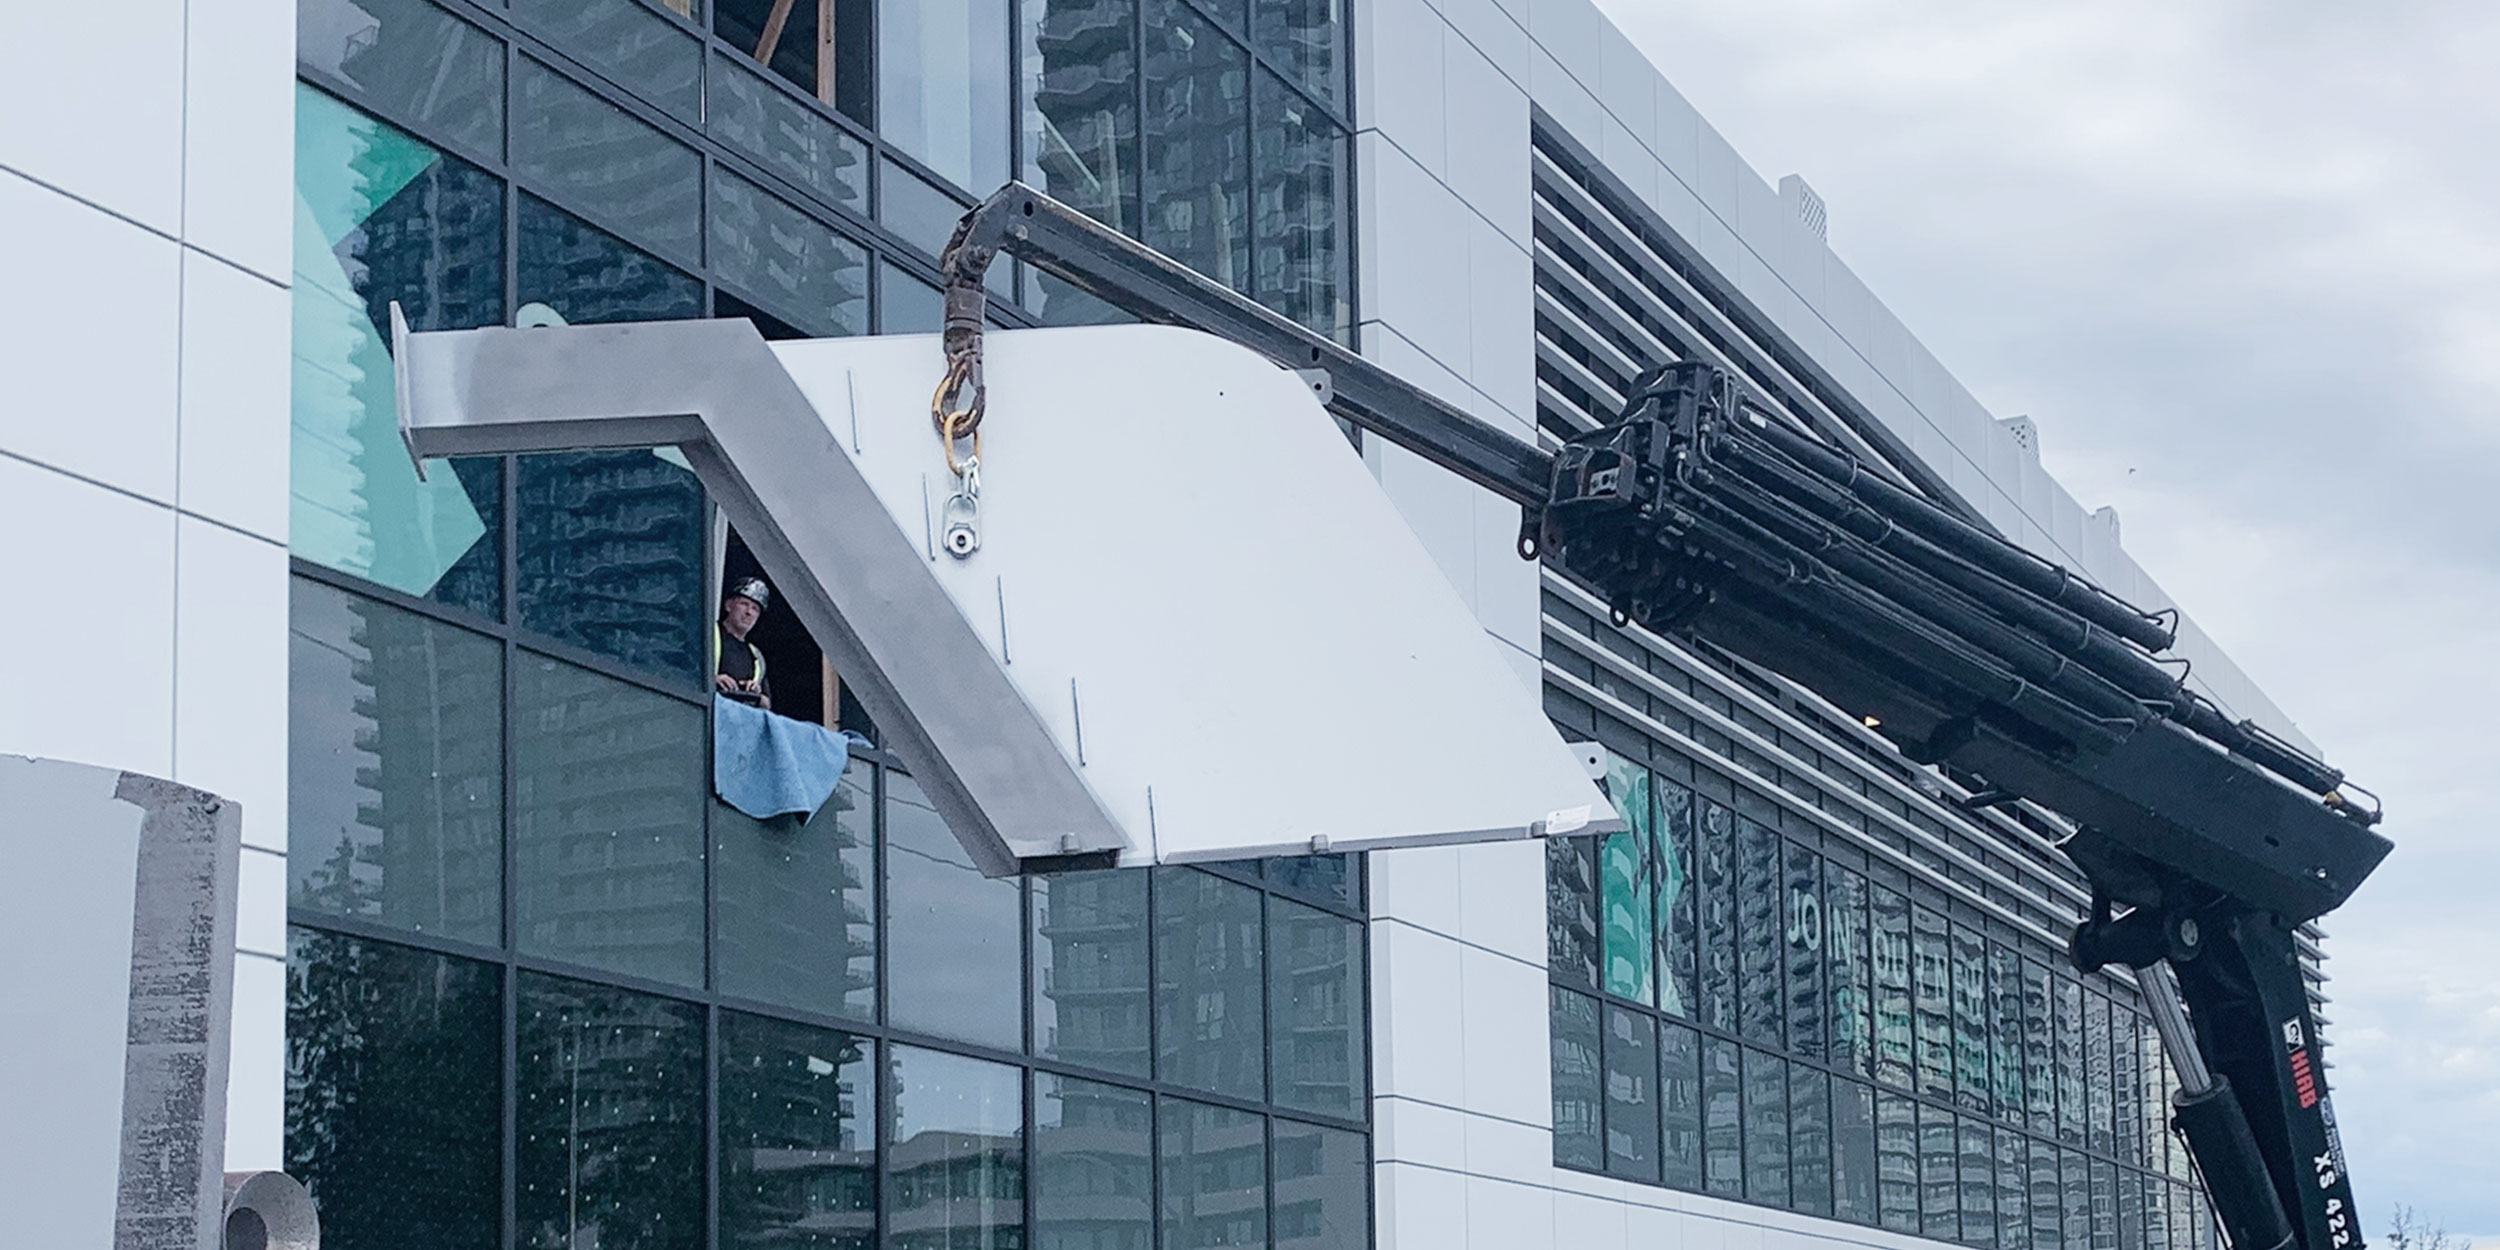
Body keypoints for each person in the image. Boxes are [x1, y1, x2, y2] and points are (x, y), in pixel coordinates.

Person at [715, 577, 773, 709]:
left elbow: (767, 703)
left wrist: (756, 693)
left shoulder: (756, 656)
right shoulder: (707, 635)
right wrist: (713, 679)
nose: (749, 612)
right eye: (744, 604)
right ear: (728, 605)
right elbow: (681, 674)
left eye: (755, 609)